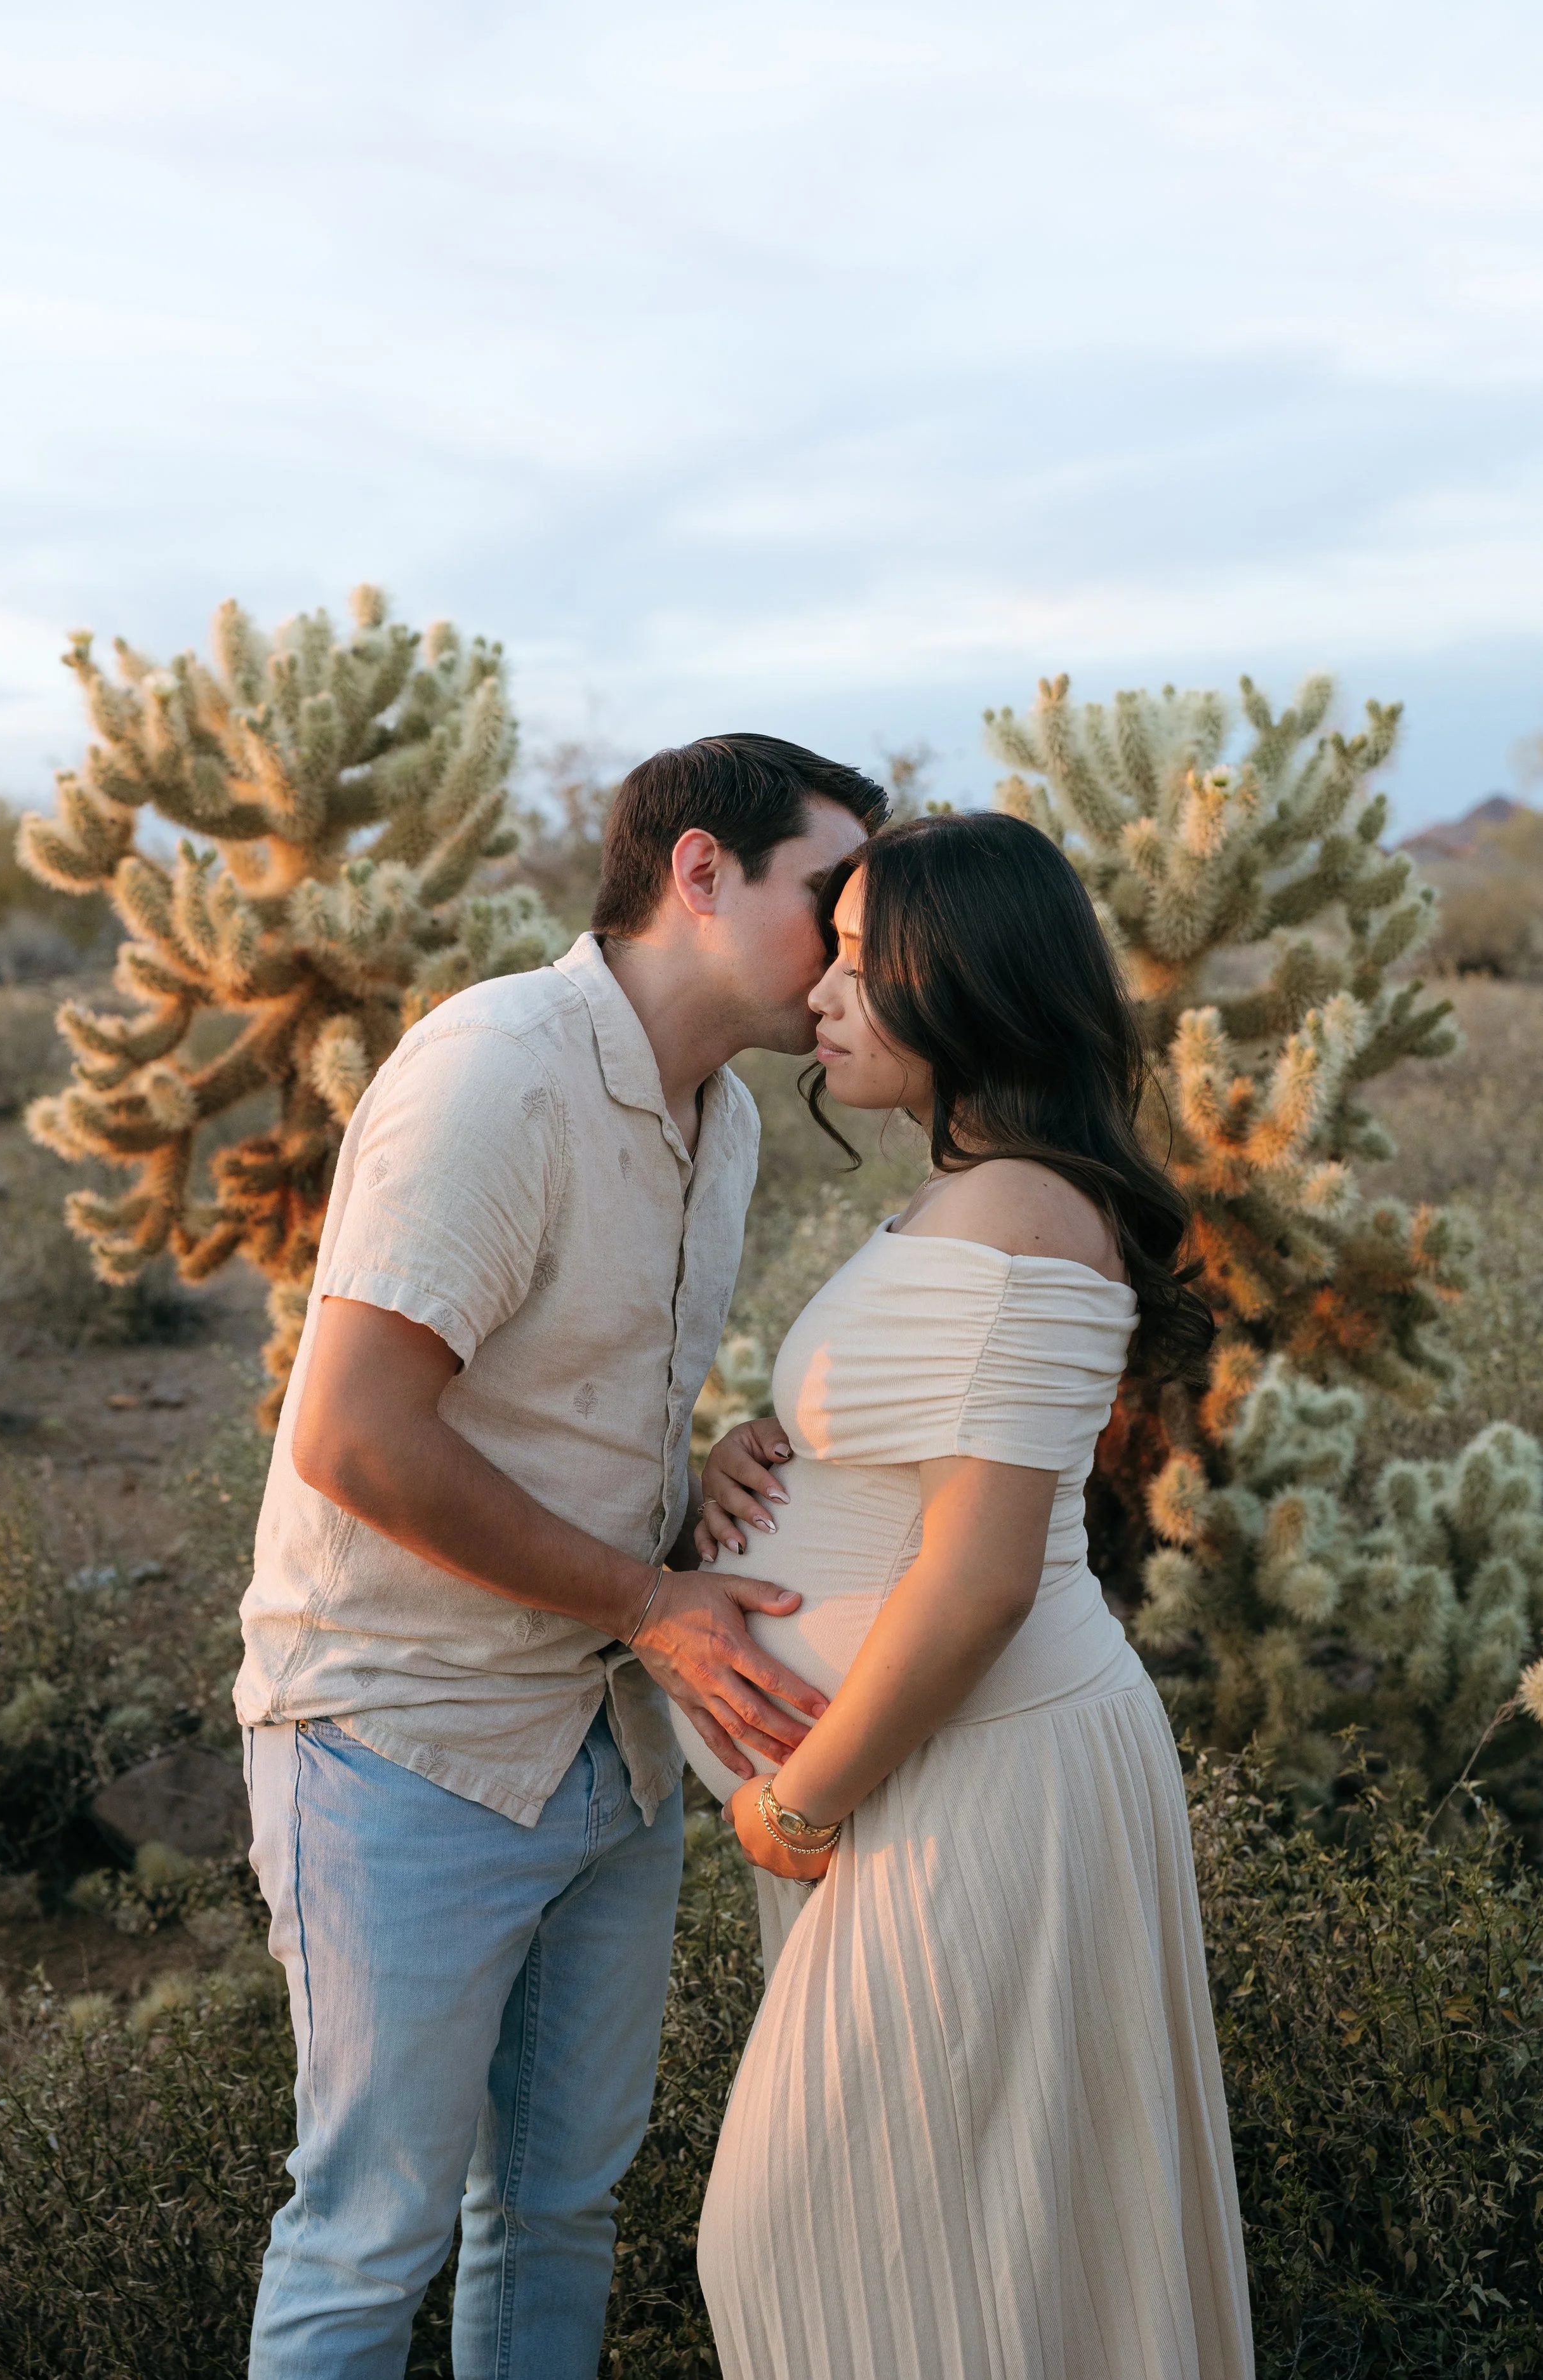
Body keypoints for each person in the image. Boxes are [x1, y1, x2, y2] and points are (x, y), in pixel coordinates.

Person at [234, 733, 888, 2379]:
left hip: (610, 1737)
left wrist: (689, 1482)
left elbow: (553, 1400)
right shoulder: (497, 1071)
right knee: (366, 2235)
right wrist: (650, 1597)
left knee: (556, 2208)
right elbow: (353, 1435)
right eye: (829, 895)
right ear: (699, 871)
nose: (854, 944)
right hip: (405, 1734)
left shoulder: (722, 1121)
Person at [672, 812, 1255, 2380]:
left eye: (863, 962)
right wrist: (765, 1450)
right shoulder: (982, 1192)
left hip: (963, 1781)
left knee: (812, 2235)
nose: (821, 995)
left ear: (972, 979)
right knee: (959, 2232)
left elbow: (985, 1574)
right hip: (922, 1773)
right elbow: (926, 1444)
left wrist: (796, 1803)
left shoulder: (1022, 1211)